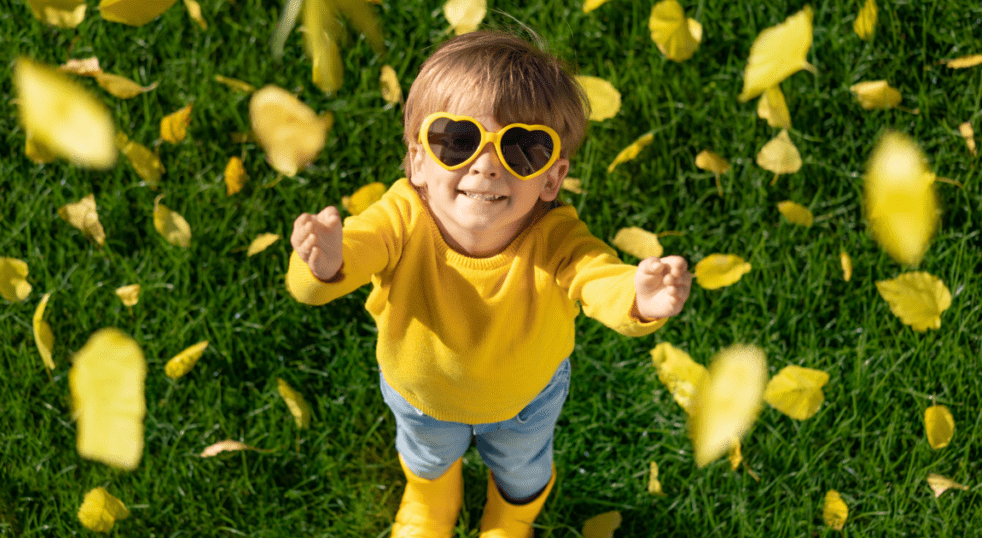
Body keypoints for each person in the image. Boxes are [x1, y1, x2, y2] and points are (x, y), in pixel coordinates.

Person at [287, 30, 692, 538]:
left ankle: (513, 515)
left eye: (524, 149)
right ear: (417, 162)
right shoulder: (399, 218)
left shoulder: (556, 237)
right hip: (421, 398)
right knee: (427, 457)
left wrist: (638, 297)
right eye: (456, 140)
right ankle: (432, 503)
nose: (487, 164)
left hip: (527, 400)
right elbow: (338, 266)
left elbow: (597, 277)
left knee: (523, 468)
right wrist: (324, 262)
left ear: (552, 178)